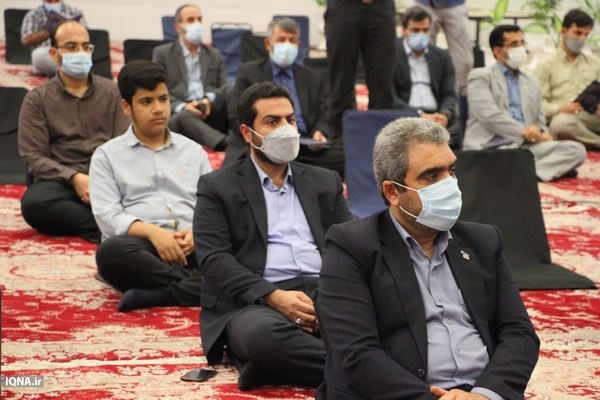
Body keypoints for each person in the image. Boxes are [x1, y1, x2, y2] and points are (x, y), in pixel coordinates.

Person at [315, 117, 540, 400]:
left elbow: (518, 333)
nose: (450, 184)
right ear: (393, 192)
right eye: (432, 176)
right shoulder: (352, 245)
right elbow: (357, 354)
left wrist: (485, 394)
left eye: (451, 170)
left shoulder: (483, 241)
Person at [193, 81, 353, 390]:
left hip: (325, 293)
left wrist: (337, 294)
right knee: (262, 338)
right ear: (247, 133)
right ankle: (365, 371)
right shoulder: (218, 186)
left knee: (395, 321)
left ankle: (277, 369)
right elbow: (214, 261)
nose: (286, 129)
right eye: (272, 122)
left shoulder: (325, 181)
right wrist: (273, 296)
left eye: (290, 119)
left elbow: (348, 244)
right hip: (258, 301)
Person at [89, 60, 212, 312]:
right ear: (127, 107)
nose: (158, 109)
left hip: (192, 242)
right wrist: (154, 233)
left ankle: (160, 294)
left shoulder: (193, 151)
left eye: (163, 99)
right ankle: (209, 287)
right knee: (111, 252)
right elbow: (108, 216)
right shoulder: (106, 156)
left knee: (244, 251)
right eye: (147, 102)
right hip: (142, 247)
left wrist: (197, 233)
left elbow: (212, 206)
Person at [18, 20, 130, 243]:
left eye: (85, 47)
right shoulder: (37, 99)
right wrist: (74, 178)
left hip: (109, 177)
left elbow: (123, 143)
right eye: (71, 47)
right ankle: (108, 225)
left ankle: (104, 223)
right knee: (34, 204)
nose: (80, 52)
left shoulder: (113, 92)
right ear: (54, 54)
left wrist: (101, 180)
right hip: (63, 182)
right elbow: (34, 157)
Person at [462, 25, 586, 182]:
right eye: (514, 44)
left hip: (526, 146)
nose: (521, 48)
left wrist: (538, 130)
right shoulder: (480, 76)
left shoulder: (532, 82)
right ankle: (540, 169)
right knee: (512, 156)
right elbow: (489, 116)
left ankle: (524, 174)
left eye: (522, 43)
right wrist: (526, 132)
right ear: (498, 51)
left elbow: (540, 121)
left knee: (576, 150)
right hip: (493, 145)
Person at [224, 17, 345, 176]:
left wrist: (320, 132)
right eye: (281, 39)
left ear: (298, 45)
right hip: (264, 144)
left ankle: (296, 171)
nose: (287, 45)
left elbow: (324, 116)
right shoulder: (249, 72)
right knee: (245, 165)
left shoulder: (313, 77)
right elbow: (236, 117)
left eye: (292, 40)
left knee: (346, 155)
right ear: (268, 43)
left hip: (304, 146)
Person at [152, 4, 232, 151]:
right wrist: (183, 106)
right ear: (178, 27)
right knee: (182, 117)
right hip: (183, 113)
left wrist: (208, 100)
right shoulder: (162, 54)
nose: (197, 24)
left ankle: (241, 137)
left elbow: (223, 86)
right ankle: (226, 144)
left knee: (232, 88)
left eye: (199, 19)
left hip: (209, 108)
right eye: (190, 20)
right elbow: (158, 91)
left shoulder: (214, 54)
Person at [324, 0, 396, 139]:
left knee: (383, 84)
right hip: (344, 6)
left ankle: (383, 143)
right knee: (340, 82)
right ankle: (340, 141)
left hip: (381, 6)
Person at [393, 7, 460, 149]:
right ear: (404, 30)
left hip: (436, 115)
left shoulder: (441, 55)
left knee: (461, 130)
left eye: (425, 30)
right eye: (415, 30)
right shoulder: (391, 53)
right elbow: (390, 96)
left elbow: (449, 93)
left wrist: (444, 114)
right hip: (406, 115)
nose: (421, 34)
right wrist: (419, 115)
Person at [534, 9, 600, 150]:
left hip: (593, 116)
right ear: (564, 32)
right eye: (578, 33)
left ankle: (587, 140)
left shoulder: (595, 63)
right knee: (560, 125)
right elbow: (537, 104)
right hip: (566, 118)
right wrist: (560, 108)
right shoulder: (546, 65)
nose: (582, 39)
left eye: (586, 35)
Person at [414, 0, 473, 93]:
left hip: (455, 5)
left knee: (463, 62)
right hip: (424, 4)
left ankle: (461, 98)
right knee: (419, 57)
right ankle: (421, 96)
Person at [20, 0, 86, 76]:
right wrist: (48, 30)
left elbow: (86, 35)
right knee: (37, 54)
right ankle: (66, 72)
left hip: (70, 50)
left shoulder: (74, 11)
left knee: (85, 53)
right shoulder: (34, 14)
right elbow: (26, 40)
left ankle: (69, 71)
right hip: (46, 51)